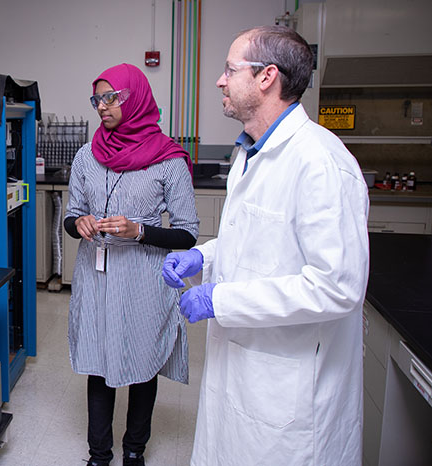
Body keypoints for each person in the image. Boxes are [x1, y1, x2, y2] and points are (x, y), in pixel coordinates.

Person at [162, 26, 369, 465]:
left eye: (229, 69)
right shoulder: (250, 153)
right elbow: (253, 240)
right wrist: (204, 255)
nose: (220, 80)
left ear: (266, 77)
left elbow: (337, 287)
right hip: (241, 371)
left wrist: (222, 299)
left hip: (288, 393)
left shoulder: (321, 164)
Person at [64, 63, 199, 466]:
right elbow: (71, 215)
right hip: (96, 276)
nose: (102, 106)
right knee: (98, 361)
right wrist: (80, 223)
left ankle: (135, 449)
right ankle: (98, 455)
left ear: (134, 97)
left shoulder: (168, 160)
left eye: (111, 97)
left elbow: (188, 233)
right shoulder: (88, 156)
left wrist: (139, 231)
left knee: (142, 364)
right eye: (97, 99)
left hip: (143, 280)